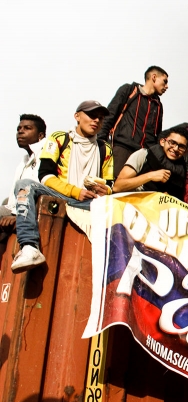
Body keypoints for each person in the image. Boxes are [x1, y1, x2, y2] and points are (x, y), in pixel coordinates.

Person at [11, 101, 113, 273]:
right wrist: (75, 191)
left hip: (90, 203)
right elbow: (45, 176)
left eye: (100, 118)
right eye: (91, 115)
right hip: (63, 197)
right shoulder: (59, 138)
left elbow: (109, 183)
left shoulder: (106, 149)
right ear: (77, 116)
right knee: (24, 185)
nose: (96, 120)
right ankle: (30, 247)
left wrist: (106, 190)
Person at [99, 66, 168, 178]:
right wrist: (101, 143)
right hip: (122, 148)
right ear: (154, 77)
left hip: (144, 154)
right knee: (113, 186)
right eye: (165, 82)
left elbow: (158, 133)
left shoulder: (158, 104)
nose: (167, 86)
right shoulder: (130, 90)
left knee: (134, 192)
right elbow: (109, 116)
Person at [113, 125, 188, 199]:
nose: (176, 148)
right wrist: (150, 176)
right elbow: (117, 187)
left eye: (181, 147)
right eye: (172, 142)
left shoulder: (182, 171)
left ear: (185, 152)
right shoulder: (144, 154)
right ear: (162, 142)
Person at [1, 114, 48, 232]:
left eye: (27, 128)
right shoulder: (24, 160)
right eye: (19, 129)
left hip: (33, 209)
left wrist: (19, 216)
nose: (20, 132)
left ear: (40, 135)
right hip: (15, 208)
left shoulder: (45, 155)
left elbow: (41, 190)